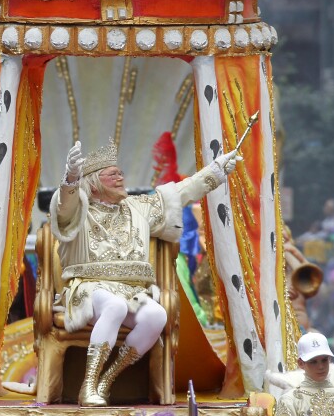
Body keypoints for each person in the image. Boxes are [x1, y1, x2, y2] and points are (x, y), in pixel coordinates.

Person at [51, 139, 240, 406]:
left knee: (156, 314)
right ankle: (88, 384)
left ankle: (106, 381)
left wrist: (216, 171)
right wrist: (70, 179)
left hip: (131, 291)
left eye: (121, 172)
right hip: (89, 288)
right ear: (93, 183)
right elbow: (64, 207)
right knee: (114, 306)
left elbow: (181, 192)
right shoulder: (81, 210)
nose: (121, 177)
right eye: (112, 174)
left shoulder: (138, 207)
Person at [269, 332, 334, 416]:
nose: (321, 367)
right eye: (313, 362)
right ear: (301, 364)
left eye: (324, 360)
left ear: (329, 360)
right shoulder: (290, 400)